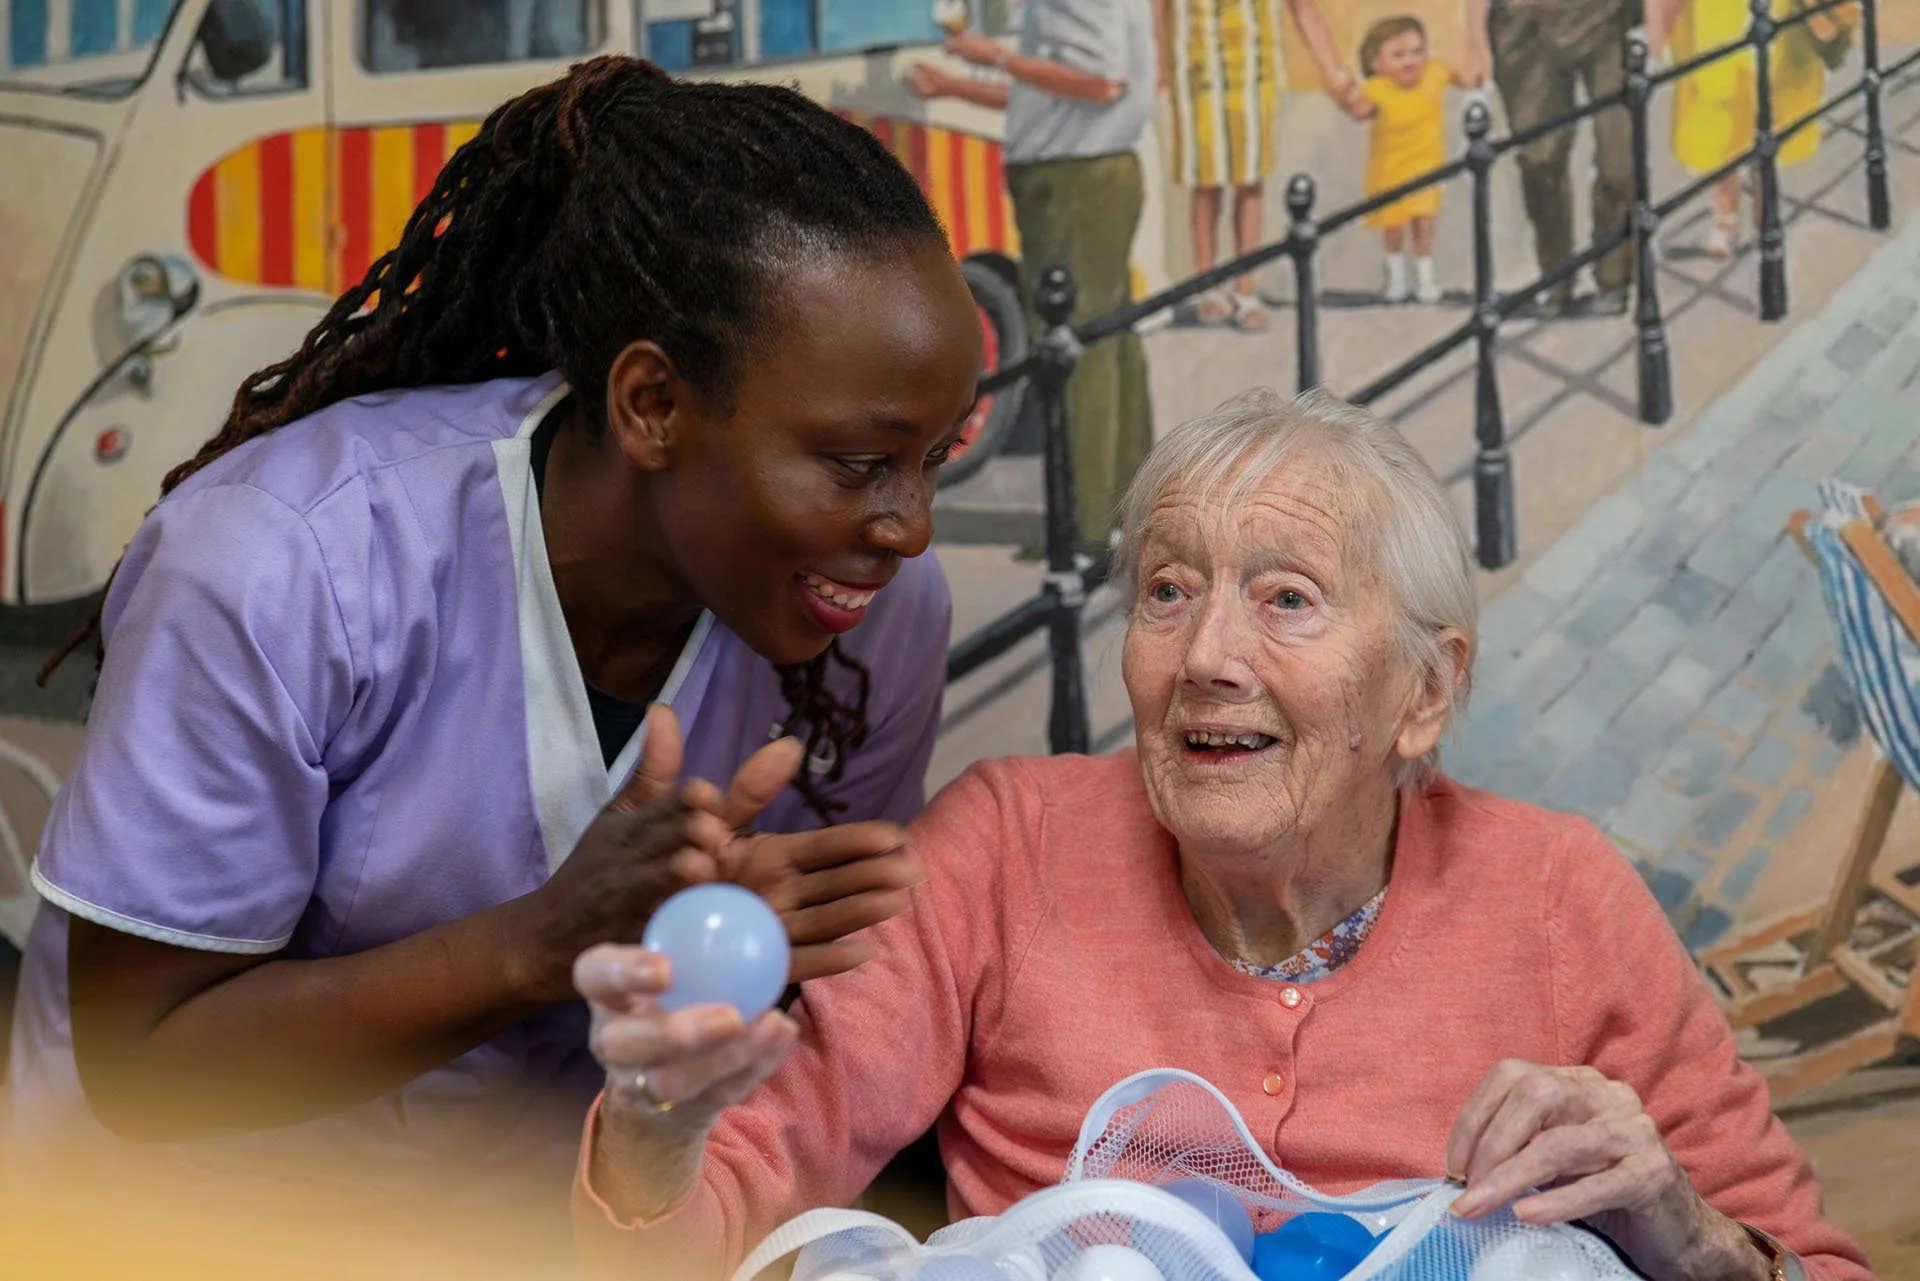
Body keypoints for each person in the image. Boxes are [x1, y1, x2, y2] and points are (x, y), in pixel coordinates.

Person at [4, 54, 977, 1257]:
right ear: (653, 404)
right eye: (857, 460)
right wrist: (542, 943)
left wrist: (733, 957)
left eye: (938, 457)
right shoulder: (284, 561)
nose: (909, 525)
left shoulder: (879, 613)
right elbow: (143, 1068)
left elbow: (774, 1030)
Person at [569, 387, 1875, 1281]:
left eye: (1287, 598)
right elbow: (696, 1224)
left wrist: (1682, 1229)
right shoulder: (1008, 847)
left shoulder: (1560, 897)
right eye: (1168, 590)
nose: (1204, 657)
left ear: (1423, 692)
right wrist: (654, 1124)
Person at [904, 0, 1156, 550]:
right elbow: (1056, 94)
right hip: (1088, 170)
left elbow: (1099, 83)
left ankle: (1081, 530)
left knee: (1074, 346)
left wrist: (991, 55)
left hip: (1072, 180)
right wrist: (954, 86)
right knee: (1106, 338)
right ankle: (1123, 513)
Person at [1464, 0, 1637, 317]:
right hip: (1524, 24)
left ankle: (1614, 275)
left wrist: (1656, 25)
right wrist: (1475, 41)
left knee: (1620, 161)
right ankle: (1556, 274)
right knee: (1539, 160)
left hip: (1606, 18)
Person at [1649, 0, 1854, 259]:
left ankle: (1763, 216)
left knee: (1764, 119)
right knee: (1719, 119)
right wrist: (1661, 29)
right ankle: (1726, 219)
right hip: (1715, 17)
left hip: (1771, 18)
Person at [1323, 15, 1481, 305]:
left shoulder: (1435, 74)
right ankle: (1395, 273)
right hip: (1390, 170)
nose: (1410, 61)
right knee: (1393, 224)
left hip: (1426, 165)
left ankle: (1425, 274)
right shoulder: (1377, 89)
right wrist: (1343, 93)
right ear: (1376, 64)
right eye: (1398, 55)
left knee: (1424, 220)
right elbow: (1360, 112)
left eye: (1417, 52)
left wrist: (1474, 67)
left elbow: (1465, 79)